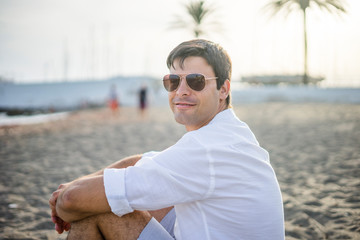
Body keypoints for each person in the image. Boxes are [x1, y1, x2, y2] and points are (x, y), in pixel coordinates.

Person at [49, 39, 285, 239]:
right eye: (173, 81)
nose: (180, 90)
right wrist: (74, 186)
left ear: (223, 89)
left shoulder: (205, 149)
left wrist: (66, 199)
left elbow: (71, 201)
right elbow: (144, 161)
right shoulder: (230, 132)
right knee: (124, 198)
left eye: (196, 81)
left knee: (102, 209)